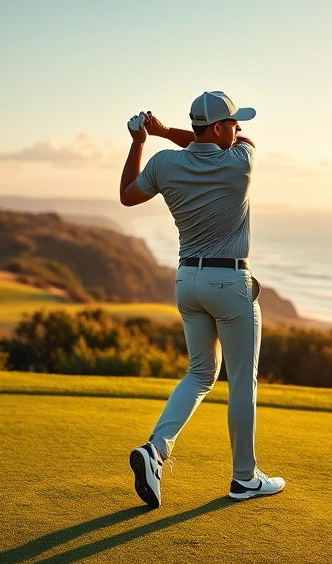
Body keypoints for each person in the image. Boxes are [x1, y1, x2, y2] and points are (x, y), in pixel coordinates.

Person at [119, 91, 285, 508]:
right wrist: (164, 131)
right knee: (241, 381)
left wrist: (143, 141)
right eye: (233, 122)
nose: (239, 129)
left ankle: (155, 449)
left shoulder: (162, 164)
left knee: (199, 374)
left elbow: (127, 194)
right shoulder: (240, 162)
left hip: (187, 280)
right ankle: (244, 478)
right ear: (217, 128)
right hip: (229, 284)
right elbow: (216, 145)